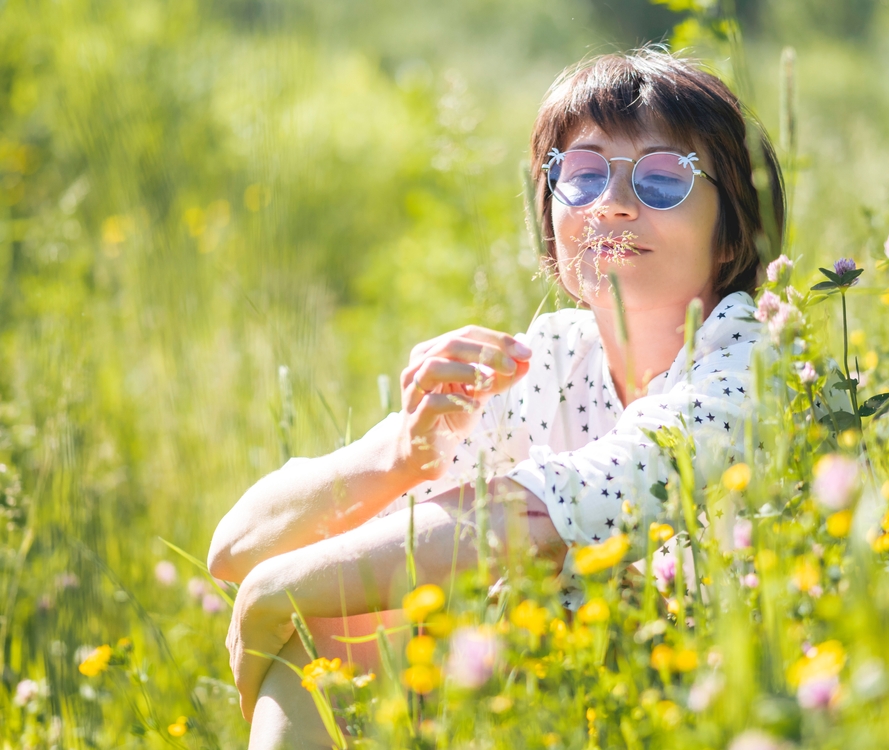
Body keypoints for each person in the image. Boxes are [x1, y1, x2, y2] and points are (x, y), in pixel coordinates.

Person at [208, 46, 784, 748]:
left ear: (732, 234)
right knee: (318, 626)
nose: (615, 205)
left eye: (664, 179)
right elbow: (236, 550)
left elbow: (545, 520)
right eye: (583, 174)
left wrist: (275, 592)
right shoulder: (543, 358)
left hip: (723, 716)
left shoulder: (751, 366)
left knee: (315, 598)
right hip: (560, 704)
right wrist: (406, 454)